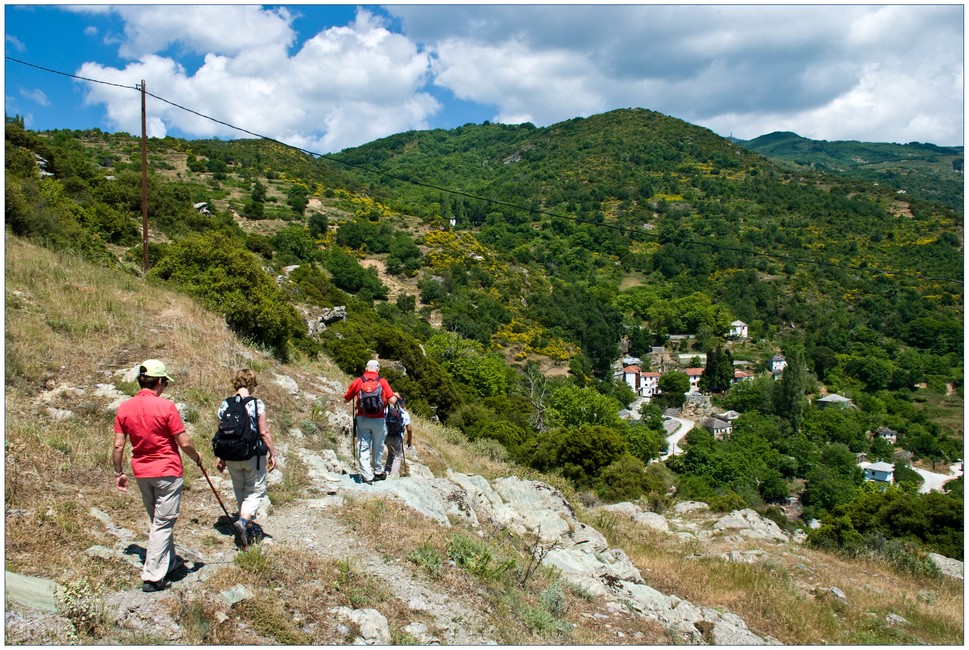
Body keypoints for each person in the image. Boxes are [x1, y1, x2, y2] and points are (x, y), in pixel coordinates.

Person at [113, 359, 202, 593]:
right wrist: (196, 456)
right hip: (167, 471)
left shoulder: (124, 407)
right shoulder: (166, 407)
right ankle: (153, 576)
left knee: (158, 521)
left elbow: (118, 446)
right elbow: (183, 441)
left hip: (141, 471)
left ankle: (169, 562)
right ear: (160, 382)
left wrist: (119, 473)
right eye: (165, 383)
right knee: (162, 523)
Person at [215, 369, 277, 547]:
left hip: (231, 454)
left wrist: (222, 457)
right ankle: (243, 522)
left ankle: (245, 527)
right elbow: (263, 431)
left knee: (240, 489)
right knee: (256, 490)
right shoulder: (256, 404)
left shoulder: (225, 404)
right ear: (252, 384)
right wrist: (272, 453)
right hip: (252, 454)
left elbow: (222, 431)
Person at [344, 359, 397, 484]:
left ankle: (367, 476)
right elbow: (392, 401)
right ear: (378, 369)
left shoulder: (358, 381)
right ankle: (378, 471)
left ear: (366, 368)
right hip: (379, 419)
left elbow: (346, 399)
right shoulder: (382, 381)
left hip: (362, 418)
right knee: (378, 446)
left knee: (364, 446)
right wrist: (394, 395)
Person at [383, 397, 413, 478]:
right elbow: (409, 429)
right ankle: (394, 474)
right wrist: (409, 441)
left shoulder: (387, 410)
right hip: (398, 437)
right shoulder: (404, 414)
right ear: (402, 404)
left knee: (390, 453)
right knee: (398, 455)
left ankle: (386, 471)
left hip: (387, 436)